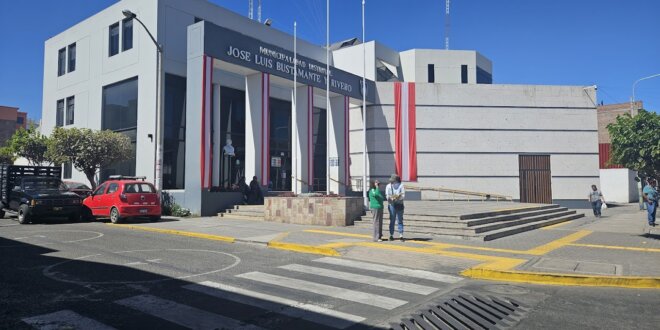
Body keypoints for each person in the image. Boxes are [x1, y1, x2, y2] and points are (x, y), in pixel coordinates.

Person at [385, 174, 405, 241]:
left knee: (400, 220)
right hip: (392, 205)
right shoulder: (388, 186)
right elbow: (387, 195)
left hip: (399, 204)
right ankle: (391, 235)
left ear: (396, 180)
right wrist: (390, 198)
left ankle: (401, 235)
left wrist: (398, 197)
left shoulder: (401, 185)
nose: (391, 182)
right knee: (392, 220)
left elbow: (403, 196)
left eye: (393, 181)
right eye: (391, 181)